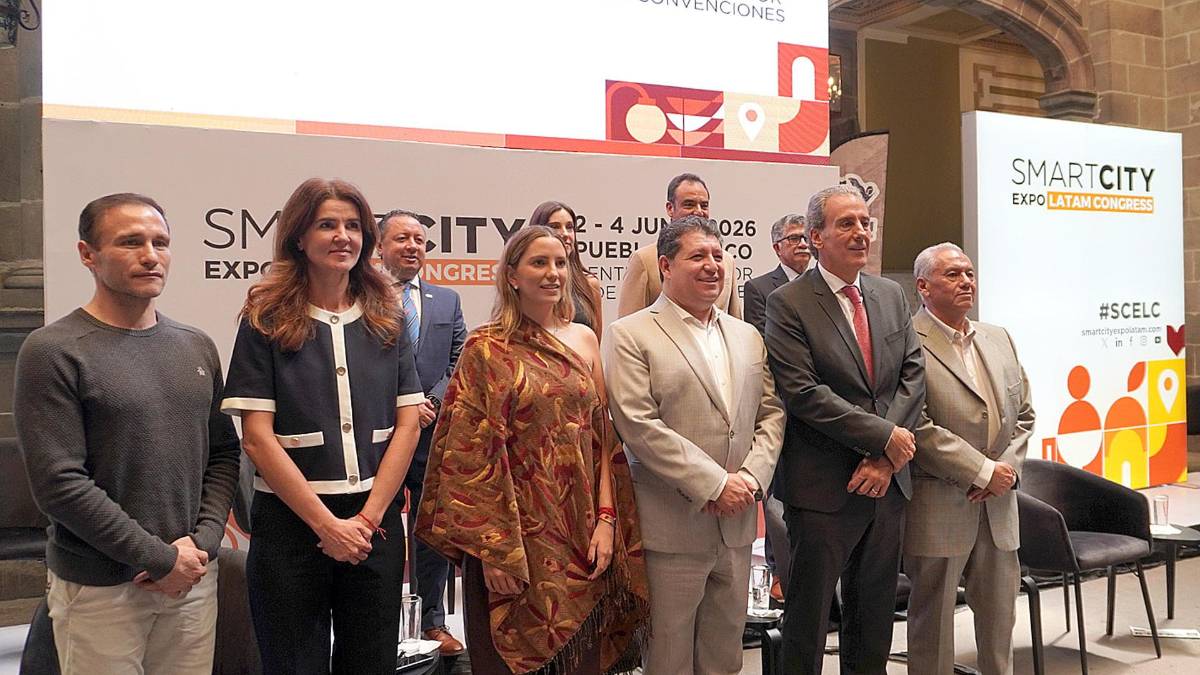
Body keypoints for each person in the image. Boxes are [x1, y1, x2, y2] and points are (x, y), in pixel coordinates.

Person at [14, 193, 241, 673]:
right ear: (87, 254)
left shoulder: (196, 346)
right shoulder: (53, 351)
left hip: (191, 580)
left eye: (161, 242)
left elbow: (222, 455)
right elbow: (60, 483)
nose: (151, 256)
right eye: (131, 242)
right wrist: (159, 558)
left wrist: (200, 546)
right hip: (101, 589)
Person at [416, 226, 649, 674]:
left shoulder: (584, 338)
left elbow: (602, 437)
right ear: (512, 275)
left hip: (580, 532)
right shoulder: (484, 348)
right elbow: (468, 456)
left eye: (560, 263)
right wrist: (492, 549)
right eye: (539, 263)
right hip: (510, 541)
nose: (553, 273)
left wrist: (606, 521)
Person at [221, 178, 423, 674]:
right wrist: (327, 526)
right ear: (299, 236)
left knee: (372, 663)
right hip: (292, 527)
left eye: (353, 226)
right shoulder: (265, 317)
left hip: (374, 524)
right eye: (327, 225)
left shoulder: (388, 317)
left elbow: (408, 426)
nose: (342, 236)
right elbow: (257, 438)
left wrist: (368, 521)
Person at [604, 215, 785, 674]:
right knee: (668, 658)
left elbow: (771, 413)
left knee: (725, 657)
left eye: (718, 256)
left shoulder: (747, 336)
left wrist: (751, 479)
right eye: (697, 256)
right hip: (672, 527)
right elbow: (638, 424)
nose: (712, 265)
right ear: (665, 266)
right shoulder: (630, 334)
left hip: (737, 525)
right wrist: (714, 484)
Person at [764, 184, 925, 674]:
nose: (861, 233)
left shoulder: (889, 294)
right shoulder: (788, 302)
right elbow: (803, 392)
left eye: (865, 223)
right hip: (823, 489)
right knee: (808, 624)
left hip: (886, 484)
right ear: (816, 236)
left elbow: (913, 376)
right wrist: (883, 438)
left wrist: (886, 455)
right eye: (846, 224)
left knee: (873, 621)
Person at [905, 243, 1034, 675]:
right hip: (939, 505)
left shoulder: (999, 337)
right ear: (923, 286)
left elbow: (1025, 414)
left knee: (1000, 623)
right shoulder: (906, 341)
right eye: (953, 274)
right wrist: (981, 471)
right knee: (933, 628)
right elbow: (916, 424)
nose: (966, 282)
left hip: (999, 507)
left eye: (970, 273)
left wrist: (1005, 472)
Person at [378, 209, 469, 656]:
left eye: (419, 239)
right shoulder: (364, 300)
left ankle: (433, 621)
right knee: (379, 529)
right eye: (402, 238)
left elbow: (460, 358)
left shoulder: (446, 300)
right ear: (379, 248)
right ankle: (378, 622)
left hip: (434, 433)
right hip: (382, 434)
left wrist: (429, 401)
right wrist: (405, 406)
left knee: (430, 531)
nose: (413, 246)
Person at [742, 212, 812, 603]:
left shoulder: (822, 285)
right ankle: (780, 574)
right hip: (781, 399)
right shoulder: (759, 287)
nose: (802, 244)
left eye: (805, 238)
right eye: (794, 239)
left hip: (818, 404)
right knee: (776, 498)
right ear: (777, 247)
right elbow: (764, 342)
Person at [616, 173, 742, 319]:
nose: (698, 211)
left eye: (704, 205)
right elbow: (629, 322)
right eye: (689, 204)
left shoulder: (727, 260)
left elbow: (735, 320)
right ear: (670, 208)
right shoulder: (644, 259)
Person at [528, 200, 604, 335]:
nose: (565, 233)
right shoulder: (527, 283)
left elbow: (595, 342)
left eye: (569, 227)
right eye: (555, 227)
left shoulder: (589, 284)